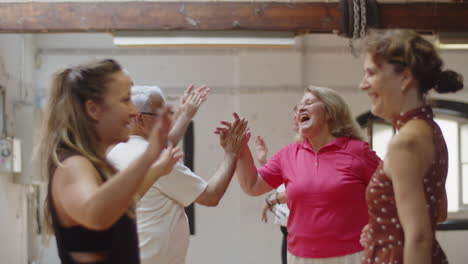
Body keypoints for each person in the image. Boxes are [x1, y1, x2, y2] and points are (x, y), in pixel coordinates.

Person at [37, 59, 183, 264]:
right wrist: (149, 156)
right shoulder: (73, 165)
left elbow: (123, 202)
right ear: (93, 109)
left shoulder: (97, 165)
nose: (133, 111)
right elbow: (95, 214)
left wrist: (157, 165)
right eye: (125, 100)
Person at [222, 86, 381, 264]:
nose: (301, 109)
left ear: (330, 112)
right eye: (298, 107)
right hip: (299, 257)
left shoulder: (358, 151)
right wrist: (240, 150)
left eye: (309, 103)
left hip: (350, 255)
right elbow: (251, 185)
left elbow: (390, 191)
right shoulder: (288, 154)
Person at [107, 85, 248, 264]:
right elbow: (211, 195)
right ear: (141, 120)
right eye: (163, 116)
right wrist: (231, 153)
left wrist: (186, 114)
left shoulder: (116, 151)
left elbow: (167, 142)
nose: (169, 121)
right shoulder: (154, 158)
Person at [359, 29, 464, 264]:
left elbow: (419, 238)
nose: (362, 84)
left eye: (371, 73)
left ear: (405, 78)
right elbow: (437, 212)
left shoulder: (406, 142)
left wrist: (388, 237)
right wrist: (382, 231)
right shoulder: (428, 129)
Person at [256, 136, 290, 264]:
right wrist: (264, 161)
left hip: (304, 234)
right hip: (288, 232)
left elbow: (302, 190)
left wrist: (272, 199)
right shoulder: (295, 150)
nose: (296, 116)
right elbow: (285, 182)